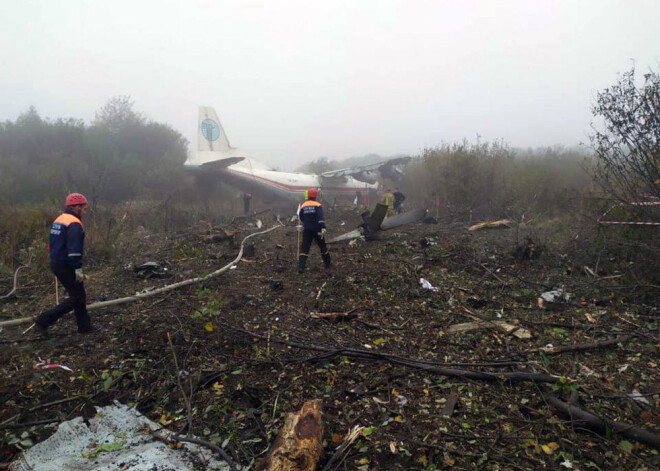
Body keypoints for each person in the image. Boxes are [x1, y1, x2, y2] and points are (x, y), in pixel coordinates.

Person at [33, 193, 100, 338]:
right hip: (66, 264)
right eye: (84, 208)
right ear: (76, 207)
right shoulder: (74, 223)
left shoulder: (60, 219)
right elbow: (74, 248)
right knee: (76, 297)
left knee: (79, 295)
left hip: (57, 262)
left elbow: (51, 244)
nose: (85, 211)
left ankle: (85, 326)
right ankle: (43, 320)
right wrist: (77, 268)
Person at [298, 188, 331, 273]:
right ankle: (328, 264)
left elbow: (301, 217)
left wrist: (306, 223)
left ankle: (301, 267)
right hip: (317, 229)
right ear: (316, 196)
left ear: (308, 195)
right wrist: (323, 227)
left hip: (307, 229)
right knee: (322, 246)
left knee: (305, 247)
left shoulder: (303, 205)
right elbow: (321, 218)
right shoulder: (318, 205)